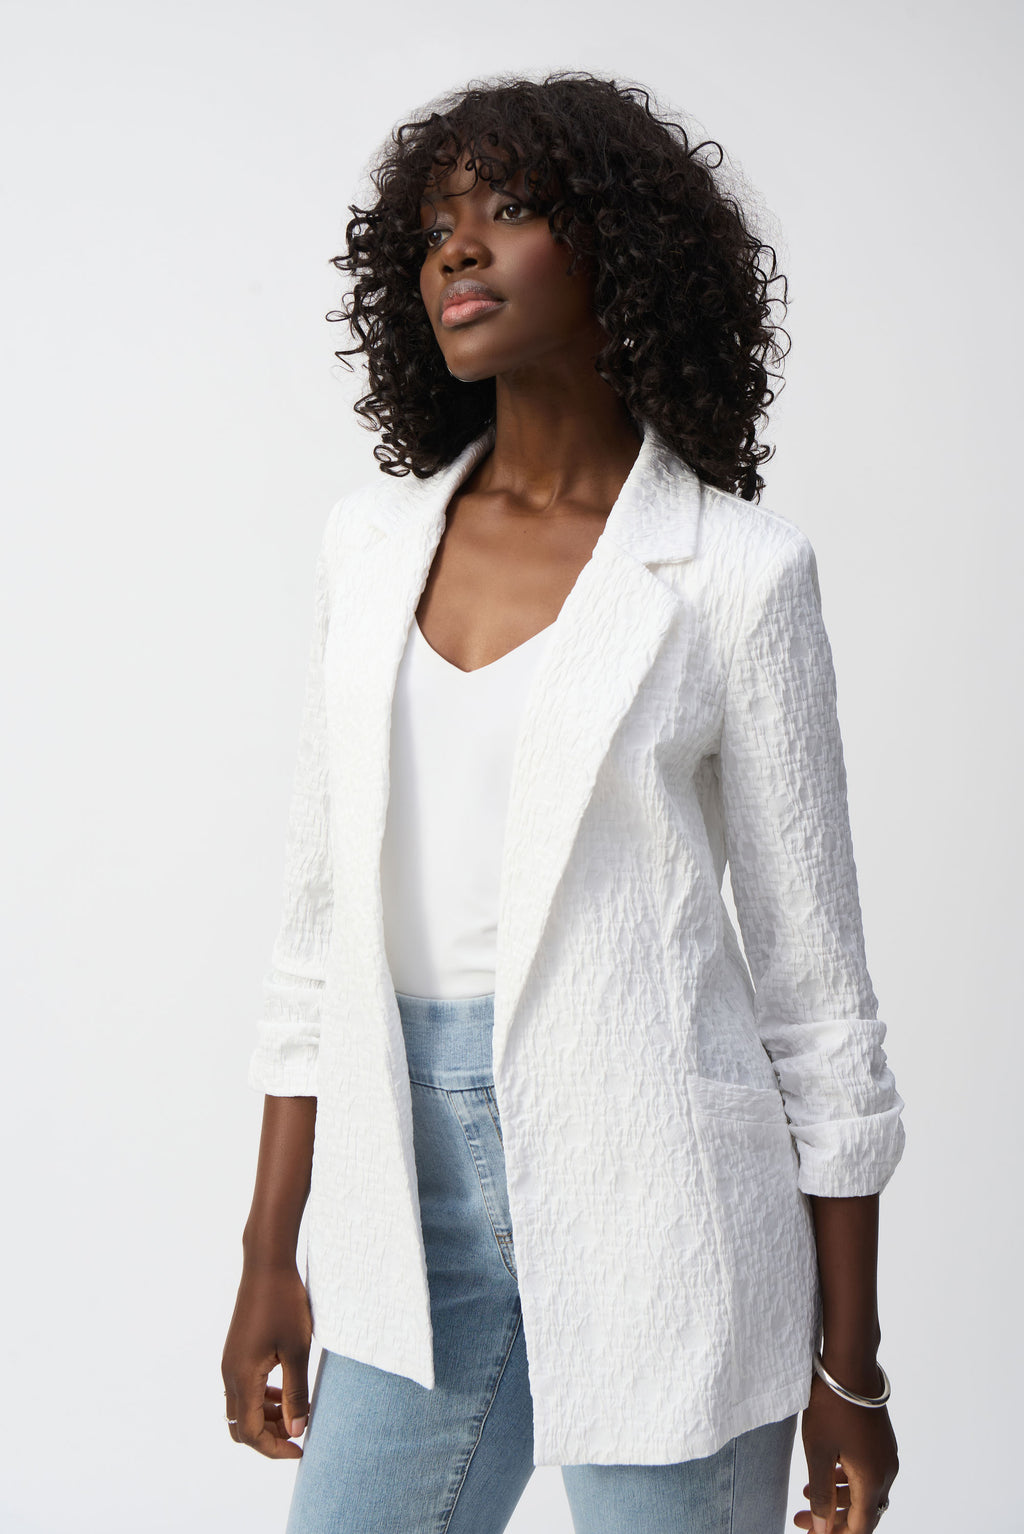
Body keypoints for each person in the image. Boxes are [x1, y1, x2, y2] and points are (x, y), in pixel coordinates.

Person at [221, 70, 906, 1534]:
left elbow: (818, 999)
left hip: (668, 1205)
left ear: (619, 250)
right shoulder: (368, 546)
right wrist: (271, 1251)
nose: (457, 249)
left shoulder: (738, 574)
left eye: (511, 210)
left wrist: (849, 1364)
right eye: (434, 227)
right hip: (408, 1206)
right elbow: (315, 934)